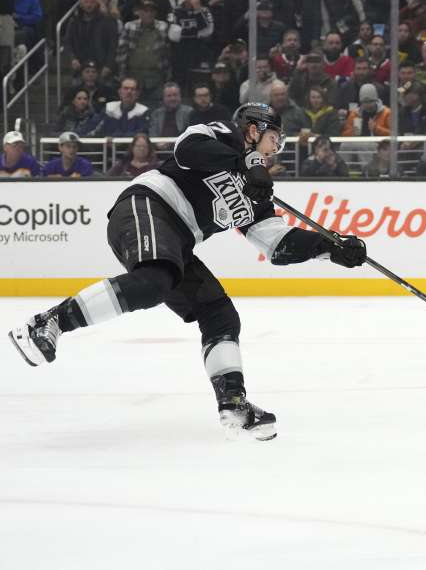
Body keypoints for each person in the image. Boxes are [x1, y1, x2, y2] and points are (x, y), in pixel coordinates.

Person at [6, 103, 367, 441]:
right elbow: (187, 150)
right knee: (155, 280)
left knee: (219, 314)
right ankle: (46, 322)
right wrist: (246, 162)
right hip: (148, 205)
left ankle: (234, 406)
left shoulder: (256, 191)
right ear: (253, 129)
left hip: (178, 240)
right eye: (274, 139)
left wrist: (329, 248)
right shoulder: (222, 133)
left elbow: (276, 245)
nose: (277, 149)